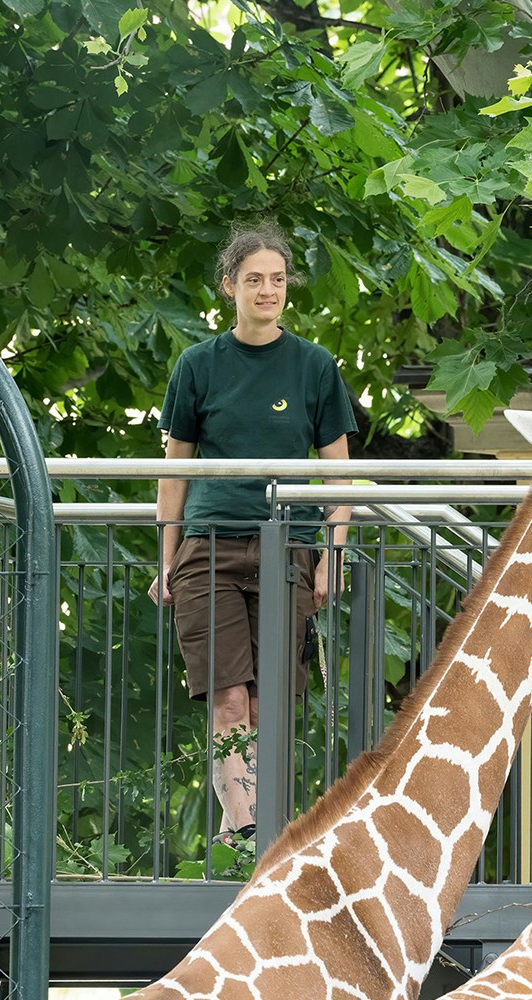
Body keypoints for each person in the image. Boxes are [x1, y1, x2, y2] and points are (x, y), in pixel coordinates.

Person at [147, 221, 359, 846]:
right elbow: (172, 474)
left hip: (285, 548)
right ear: (229, 287)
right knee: (229, 701)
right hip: (208, 546)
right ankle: (248, 830)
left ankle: (248, 827)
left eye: (277, 280)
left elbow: (340, 473)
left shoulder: (315, 367)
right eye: (253, 280)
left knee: (268, 705)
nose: (267, 290)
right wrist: (166, 559)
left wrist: (332, 555)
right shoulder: (198, 365)